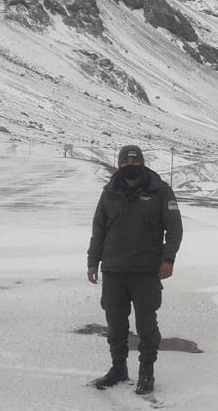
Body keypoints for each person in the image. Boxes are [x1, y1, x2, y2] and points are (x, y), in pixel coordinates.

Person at [87, 145, 183, 395]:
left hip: (146, 271)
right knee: (115, 324)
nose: (130, 165)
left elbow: (174, 229)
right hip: (113, 270)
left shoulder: (160, 191)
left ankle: (146, 372)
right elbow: (99, 228)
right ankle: (118, 368)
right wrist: (92, 261)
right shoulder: (109, 192)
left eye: (135, 161)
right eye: (126, 161)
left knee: (146, 325)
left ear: (142, 162)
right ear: (119, 164)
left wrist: (168, 259)